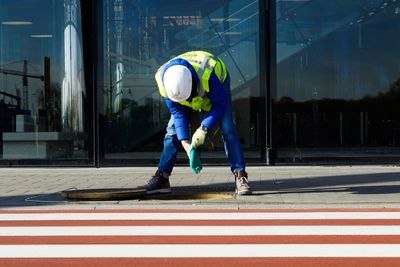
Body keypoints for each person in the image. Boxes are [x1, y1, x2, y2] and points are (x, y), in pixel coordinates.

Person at [144, 51, 252, 195]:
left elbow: (219, 105)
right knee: (172, 131)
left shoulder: (209, 75)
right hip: (184, 91)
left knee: (227, 128)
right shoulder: (164, 83)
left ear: (193, 83)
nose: (189, 102)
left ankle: (240, 175)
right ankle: (162, 177)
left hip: (218, 84)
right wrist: (187, 147)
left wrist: (203, 128)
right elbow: (178, 113)